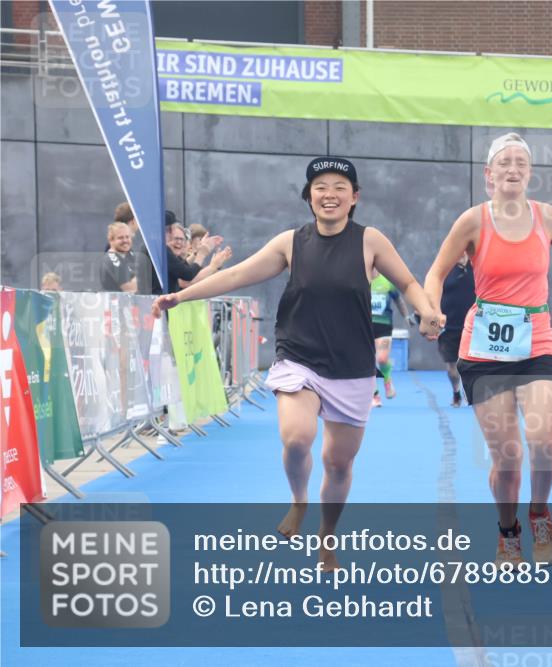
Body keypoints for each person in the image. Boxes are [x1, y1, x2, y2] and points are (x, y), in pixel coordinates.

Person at [152, 156, 444, 570]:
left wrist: (426, 311)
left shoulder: (370, 240)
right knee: (296, 438)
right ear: (309, 198)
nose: (330, 194)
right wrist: (180, 297)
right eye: (320, 187)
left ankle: (327, 537)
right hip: (299, 355)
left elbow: (409, 283)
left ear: (354, 197)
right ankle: (298, 500)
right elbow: (237, 275)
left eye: (340, 187)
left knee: (338, 464)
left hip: (351, 365)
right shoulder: (290, 242)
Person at [425, 133, 552, 568]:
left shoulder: (549, 217)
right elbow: (437, 271)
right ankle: (508, 531)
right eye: (505, 162)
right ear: (489, 174)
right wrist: (431, 311)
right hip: (485, 350)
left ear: (530, 172)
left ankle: (538, 511)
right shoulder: (472, 221)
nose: (513, 168)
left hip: (536, 341)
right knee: (508, 456)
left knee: (546, 441)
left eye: (521, 161)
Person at [438, 252, 475, 407]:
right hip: (449, 328)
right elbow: (433, 295)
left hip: (473, 327)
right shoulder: (445, 269)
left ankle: (470, 393)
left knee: (471, 365)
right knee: (452, 368)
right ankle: (456, 393)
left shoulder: (477, 268)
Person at [369, 270, 412, 407]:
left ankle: (387, 380)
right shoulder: (360, 281)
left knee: (382, 359)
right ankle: (374, 395)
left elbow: (398, 300)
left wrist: (406, 316)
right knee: (367, 362)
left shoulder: (386, 282)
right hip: (365, 326)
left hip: (384, 326)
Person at [100, 222, 137, 292]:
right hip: (116, 302)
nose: (125, 240)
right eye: (120, 238)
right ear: (111, 240)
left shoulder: (129, 254)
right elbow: (130, 289)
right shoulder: (111, 258)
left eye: (127, 237)